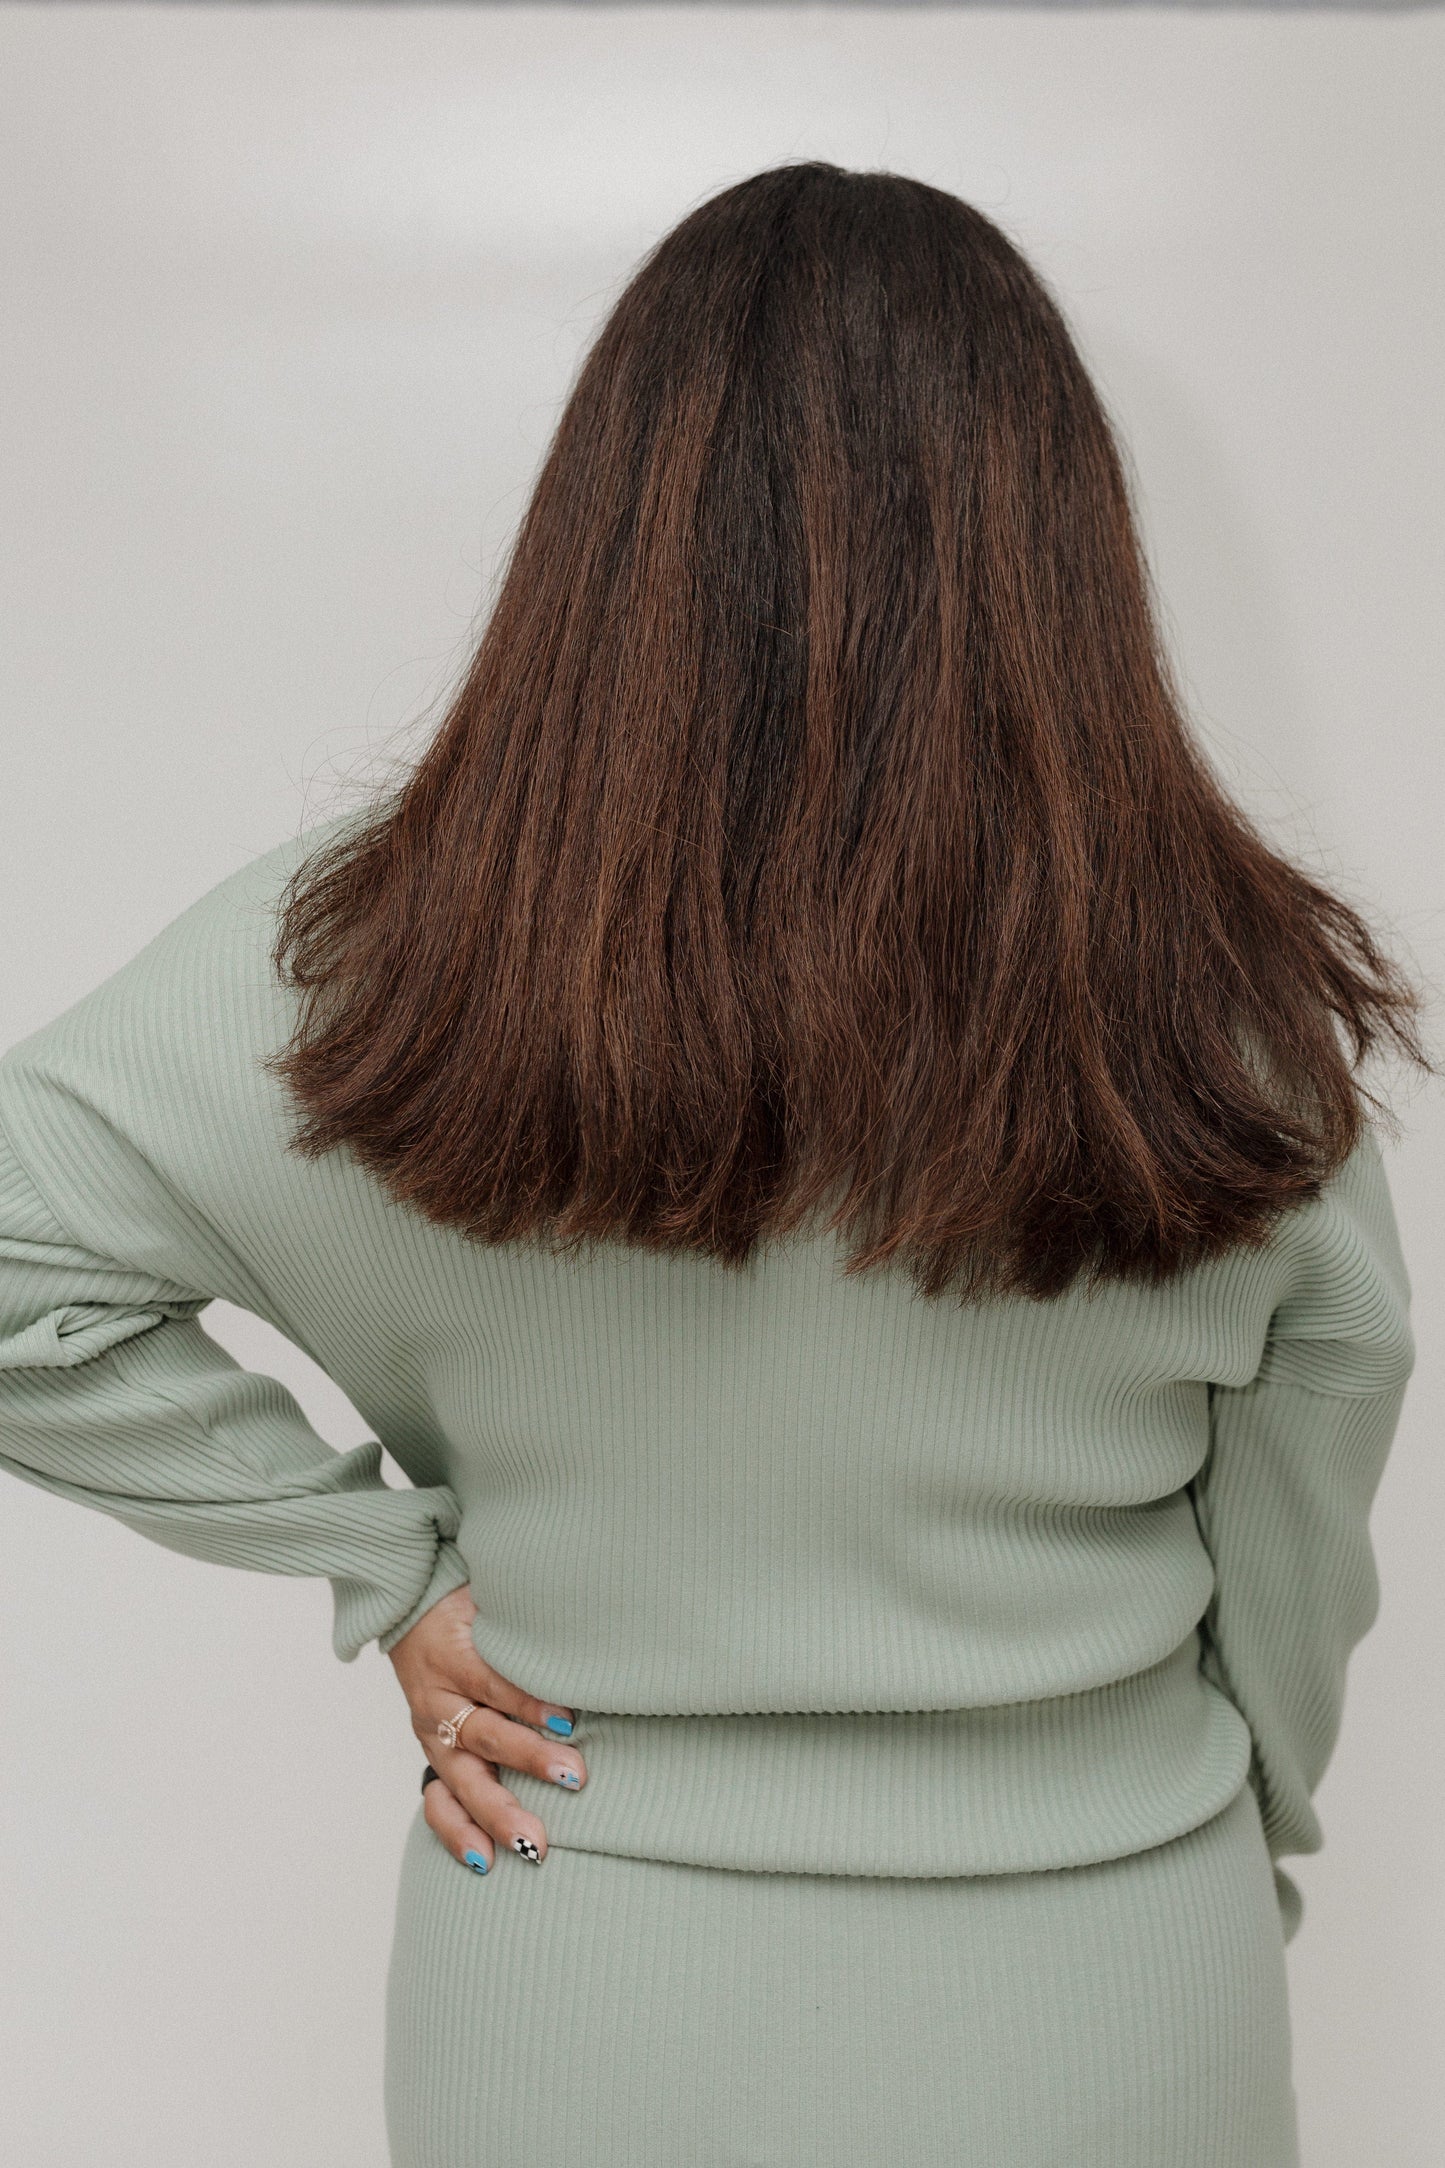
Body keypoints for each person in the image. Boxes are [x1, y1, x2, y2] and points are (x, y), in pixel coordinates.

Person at [0, 161, 1431, 2167]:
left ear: (612, 525)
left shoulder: (364, 957)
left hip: (566, 1943)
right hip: (1110, 1955)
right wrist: (1242, 1830)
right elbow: (1311, 1499)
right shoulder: (1212, 991)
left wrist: (378, 1569)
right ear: (1056, 543)